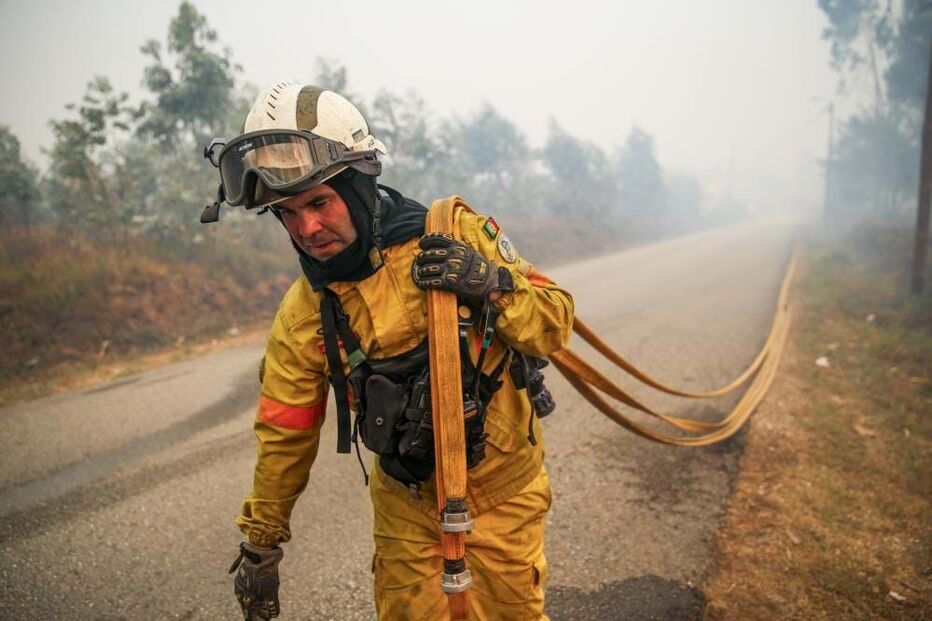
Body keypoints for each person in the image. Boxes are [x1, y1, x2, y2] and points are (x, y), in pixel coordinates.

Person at [207, 81, 574, 620]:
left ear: (357, 186)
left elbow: (554, 322)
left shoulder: (454, 234)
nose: (306, 227)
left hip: (503, 491)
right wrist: (262, 541)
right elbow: (286, 428)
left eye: (318, 202)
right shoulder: (306, 311)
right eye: (286, 212)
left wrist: (490, 283)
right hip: (406, 505)